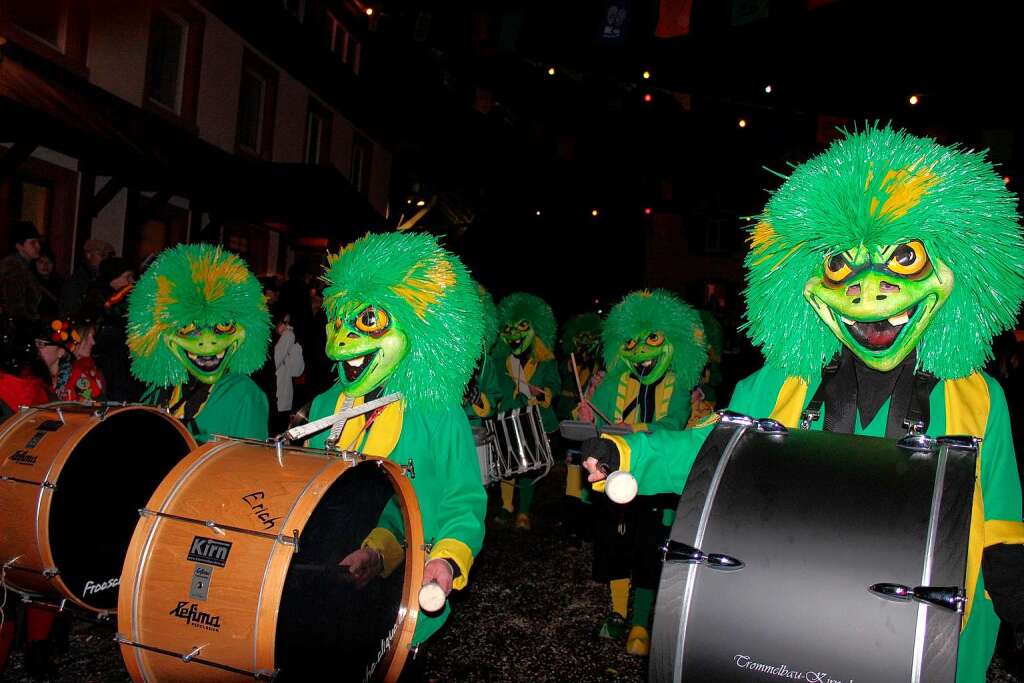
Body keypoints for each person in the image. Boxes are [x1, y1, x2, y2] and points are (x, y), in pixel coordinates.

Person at [582, 126, 1024, 682]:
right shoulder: (779, 385)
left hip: (928, 650)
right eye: (842, 264)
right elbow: (710, 455)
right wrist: (628, 454)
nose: (868, 290)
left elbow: (1003, 522)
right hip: (792, 630)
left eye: (904, 259)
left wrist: (1012, 589)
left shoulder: (981, 399)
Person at [306, 231, 487, 651]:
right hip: (322, 588)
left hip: (404, 599)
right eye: (338, 321)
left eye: (369, 321)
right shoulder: (322, 407)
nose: (342, 340)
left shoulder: (439, 413)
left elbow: (463, 501)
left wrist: (446, 558)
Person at [583, 289, 706, 655]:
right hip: (614, 480)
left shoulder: (679, 385)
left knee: (649, 551)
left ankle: (640, 623)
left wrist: (636, 431)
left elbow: (673, 423)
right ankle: (619, 613)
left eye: (652, 339)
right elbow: (593, 417)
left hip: (653, 485)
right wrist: (587, 403)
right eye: (632, 342)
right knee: (614, 546)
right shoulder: (614, 383)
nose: (640, 351)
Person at [127, 244, 270, 441]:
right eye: (188, 329)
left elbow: (248, 466)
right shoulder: (158, 389)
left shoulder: (244, 394)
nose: (207, 342)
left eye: (223, 326)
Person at [493, 292, 560, 530]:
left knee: (528, 466)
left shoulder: (546, 361)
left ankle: (523, 512)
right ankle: (506, 506)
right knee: (506, 463)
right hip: (506, 418)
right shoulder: (500, 363)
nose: (515, 334)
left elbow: (555, 384)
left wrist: (545, 393)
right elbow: (494, 388)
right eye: (509, 328)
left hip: (533, 419)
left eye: (522, 326)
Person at [0, 221, 43, 321]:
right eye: (33, 242)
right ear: (19, 246)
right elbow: (15, 308)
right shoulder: (12, 269)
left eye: (38, 242)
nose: (38, 246)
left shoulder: (24, 267)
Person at [59, 239, 113, 315]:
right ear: (89, 255)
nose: (105, 258)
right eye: (102, 255)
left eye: (107, 255)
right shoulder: (78, 281)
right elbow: (71, 310)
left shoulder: (102, 277)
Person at [272, 306, 304, 434]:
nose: (287, 327)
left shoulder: (287, 342)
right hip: (272, 401)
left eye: (289, 323)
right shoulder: (273, 343)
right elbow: (274, 362)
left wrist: (295, 347)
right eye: (284, 323)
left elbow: (297, 371)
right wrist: (288, 336)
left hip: (284, 402)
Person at [33, 247, 64, 318]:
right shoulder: (30, 282)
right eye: (41, 262)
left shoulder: (59, 282)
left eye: (49, 262)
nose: (45, 265)